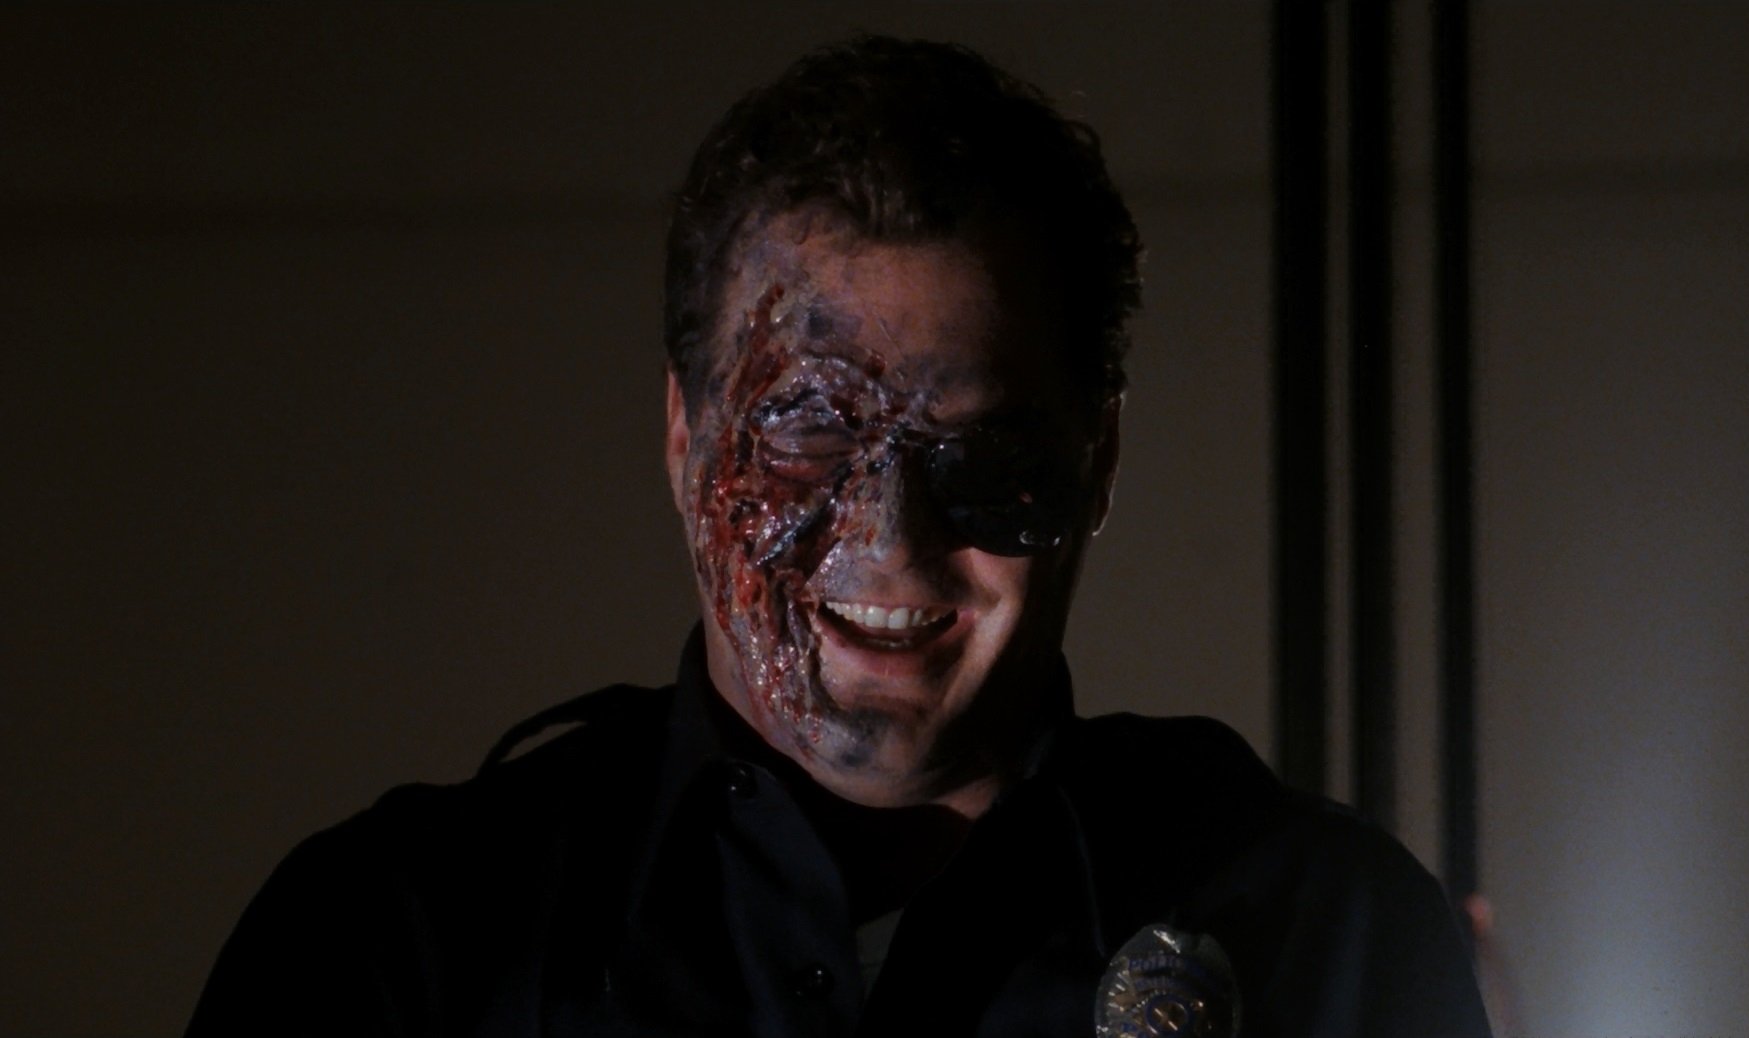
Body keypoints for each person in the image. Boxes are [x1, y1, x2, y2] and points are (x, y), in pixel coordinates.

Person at [187, 36, 1491, 1038]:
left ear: (1096, 460)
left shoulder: (1321, 941)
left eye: (982, 456)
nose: (893, 540)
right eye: (807, 434)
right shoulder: (402, 946)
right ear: (684, 435)